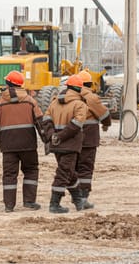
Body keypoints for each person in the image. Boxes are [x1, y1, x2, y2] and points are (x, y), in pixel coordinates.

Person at [0, 70, 44, 212]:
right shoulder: (30, 101)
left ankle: (9, 205)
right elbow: (41, 123)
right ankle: (29, 201)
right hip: (28, 145)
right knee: (31, 171)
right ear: (21, 85)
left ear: (7, 83)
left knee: (9, 175)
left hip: (8, 146)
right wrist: (47, 140)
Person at [42, 74, 87, 213]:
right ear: (79, 89)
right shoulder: (80, 104)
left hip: (57, 145)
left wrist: (52, 137)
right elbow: (76, 124)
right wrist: (61, 137)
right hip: (71, 145)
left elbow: (46, 121)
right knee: (63, 173)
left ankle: (78, 200)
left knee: (70, 172)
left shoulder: (54, 102)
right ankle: (54, 204)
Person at [76, 70, 112, 210]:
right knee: (85, 167)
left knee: (73, 167)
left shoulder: (68, 96)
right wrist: (106, 125)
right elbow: (105, 115)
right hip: (88, 139)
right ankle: (82, 198)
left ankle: (74, 195)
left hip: (71, 138)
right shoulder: (91, 98)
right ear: (90, 84)